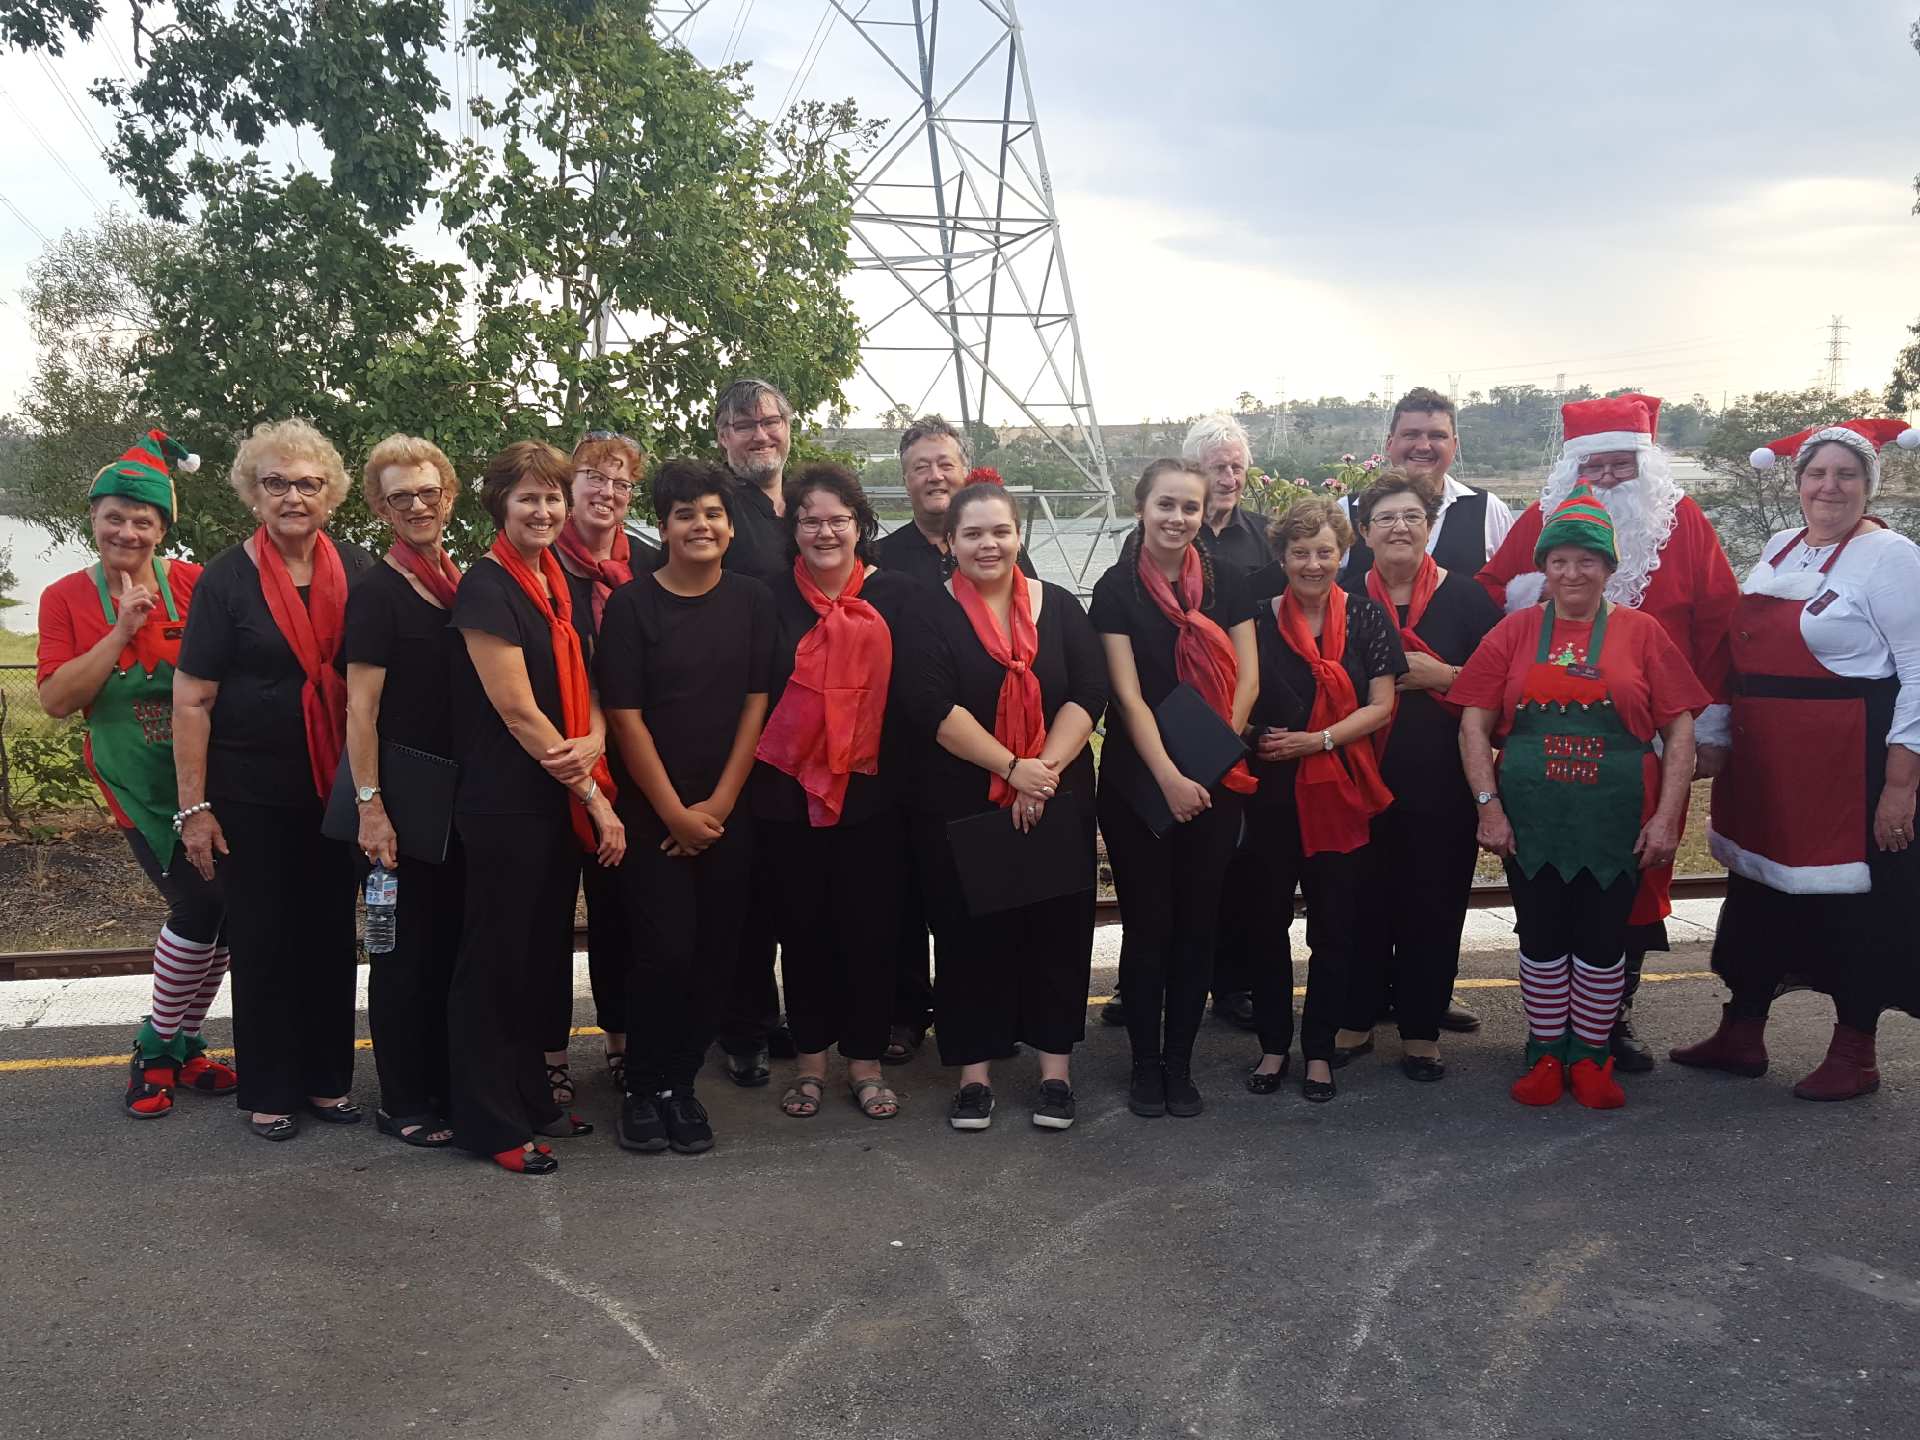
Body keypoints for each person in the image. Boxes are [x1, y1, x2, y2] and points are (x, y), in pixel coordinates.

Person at [1479, 393, 1738, 1070]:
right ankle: (1551, 1040)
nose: (1611, 480)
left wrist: (1710, 723)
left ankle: (1607, 1024)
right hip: (1547, 751)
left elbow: (1717, 620)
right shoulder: (1542, 519)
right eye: (1597, 467)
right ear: (1573, 468)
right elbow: (1492, 591)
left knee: (1633, 886)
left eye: (1624, 466)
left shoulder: (1682, 521)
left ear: (1646, 466)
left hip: (1645, 748)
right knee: (1549, 891)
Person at [1672, 418, 1920, 1101]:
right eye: (1817, 474)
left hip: (1850, 758)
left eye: (1846, 475)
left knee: (1854, 907)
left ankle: (1855, 1049)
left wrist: (1901, 782)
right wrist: (1717, 732)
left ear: (1868, 485)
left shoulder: (1893, 557)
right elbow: (1739, 652)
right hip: (1767, 761)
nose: (1829, 486)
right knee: (1757, 897)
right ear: (1798, 482)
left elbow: (1919, 669)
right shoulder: (1781, 548)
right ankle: (1742, 1030)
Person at [1454, 485, 1707, 1110]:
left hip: (1616, 817)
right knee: (1540, 936)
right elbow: (1473, 724)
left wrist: (1669, 816)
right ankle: (1545, 1052)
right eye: (1560, 559)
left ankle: (1591, 1055)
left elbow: (1679, 729)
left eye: (1587, 560)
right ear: (1543, 565)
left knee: (1602, 939)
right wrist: (1489, 805)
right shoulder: (1513, 632)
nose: (1572, 572)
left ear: (1608, 567)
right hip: (1532, 817)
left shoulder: (1643, 633)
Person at [173, 418, 375, 1141]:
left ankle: (326, 1081)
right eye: (277, 482)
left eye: (309, 483)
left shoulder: (357, 568)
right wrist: (193, 807)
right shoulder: (226, 578)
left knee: (329, 936)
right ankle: (269, 1087)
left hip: (337, 788)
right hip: (249, 791)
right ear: (253, 495)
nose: (294, 495)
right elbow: (193, 697)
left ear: (333, 494)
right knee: (262, 938)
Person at [895, 482, 1108, 1130]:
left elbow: (1087, 691)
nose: (988, 544)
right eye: (973, 534)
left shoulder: (1062, 608)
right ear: (950, 543)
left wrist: (1040, 773)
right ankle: (974, 1074)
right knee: (968, 938)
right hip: (963, 800)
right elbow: (932, 706)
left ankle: (1054, 1074)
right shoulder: (929, 613)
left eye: (999, 532)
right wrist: (1011, 768)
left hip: (1057, 793)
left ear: (1019, 536)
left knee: (1057, 936)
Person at [36, 429, 234, 1119]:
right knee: (197, 906)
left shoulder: (195, 583)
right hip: (136, 787)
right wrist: (120, 631)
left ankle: (183, 1043)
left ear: (162, 527)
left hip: (211, 774)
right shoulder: (65, 597)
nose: (126, 529)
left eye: (141, 519)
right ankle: (153, 1047)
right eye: (113, 515)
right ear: (91, 518)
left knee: (228, 916)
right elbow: (59, 700)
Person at [447, 440, 623, 1175]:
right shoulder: (488, 588)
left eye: (553, 497)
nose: (544, 510)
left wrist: (595, 738)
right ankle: (487, 1122)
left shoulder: (557, 580)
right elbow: (520, 714)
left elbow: (593, 686)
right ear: (500, 506)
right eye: (528, 498)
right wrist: (597, 799)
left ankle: (529, 1097)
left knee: (532, 960)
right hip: (504, 805)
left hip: (550, 803)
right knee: (492, 966)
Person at [600, 458, 774, 1156]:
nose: (700, 525)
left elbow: (757, 703)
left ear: (730, 527)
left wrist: (721, 804)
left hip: (730, 808)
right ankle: (643, 1086)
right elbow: (625, 716)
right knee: (663, 951)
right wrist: (674, 812)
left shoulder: (754, 601)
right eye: (684, 514)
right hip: (652, 812)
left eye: (712, 513)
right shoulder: (632, 605)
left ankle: (683, 1086)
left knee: (714, 955)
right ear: (663, 526)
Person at [752, 463, 922, 1120]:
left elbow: (920, 698)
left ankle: (867, 1063)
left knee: (872, 932)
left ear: (860, 524)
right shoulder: (766, 598)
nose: (824, 531)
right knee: (803, 932)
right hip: (786, 798)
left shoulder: (901, 597)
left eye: (837, 519)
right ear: (793, 528)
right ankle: (811, 1065)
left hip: (875, 798)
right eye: (810, 519)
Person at [1092, 459, 1258, 1119]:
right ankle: (1145, 1066)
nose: (1177, 519)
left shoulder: (1230, 584)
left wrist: (1210, 761)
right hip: (1140, 785)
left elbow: (1247, 680)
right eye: (1165, 505)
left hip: (1212, 782)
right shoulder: (1115, 590)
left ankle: (1182, 1065)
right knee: (1149, 928)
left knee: (1198, 928)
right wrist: (1170, 776)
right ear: (1141, 508)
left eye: (1189, 508)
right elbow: (1127, 700)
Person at [872, 414, 1036, 1064]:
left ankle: (994, 1012)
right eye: (921, 466)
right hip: (914, 758)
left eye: (945, 463)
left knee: (992, 894)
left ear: (966, 469)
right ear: (905, 478)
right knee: (911, 893)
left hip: (997, 755)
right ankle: (908, 1013)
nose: (935, 476)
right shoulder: (884, 561)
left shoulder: (1005, 548)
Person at [1339, 472, 1503, 1081]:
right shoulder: (1343, 598)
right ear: (1364, 532)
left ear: (1429, 527)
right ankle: (1355, 1020)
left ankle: (1420, 1030)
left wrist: (1444, 677)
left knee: (1434, 905)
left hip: (1443, 783)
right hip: (1359, 778)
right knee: (1362, 904)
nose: (1400, 527)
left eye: (1412, 516)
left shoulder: (1466, 600)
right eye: (1385, 518)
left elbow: (1502, 690)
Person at [1240, 498, 1402, 1102]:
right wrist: (1257, 736)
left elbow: (1382, 704)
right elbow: (1235, 700)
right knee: (1266, 926)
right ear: (1281, 556)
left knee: (1335, 930)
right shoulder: (1255, 621)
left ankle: (1318, 1051)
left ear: (1344, 554)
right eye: (1300, 552)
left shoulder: (1366, 618)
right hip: (1271, 795)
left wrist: (1319, 740)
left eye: (1325, 552)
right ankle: (1274, 1045)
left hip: (1341, 792)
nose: (1313, 564)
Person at [342, 434, 466, 1148]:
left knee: (447, 946)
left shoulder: (455, 580)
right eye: (400, 497)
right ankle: (403, 1098)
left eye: (427, 492)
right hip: (399, 801)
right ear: (380, 508)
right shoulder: (377, 594)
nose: (417, 505)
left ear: (446, 496)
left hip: (454, 798)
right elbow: (360, 709)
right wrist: (371, 806)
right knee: (401, 954)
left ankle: (446, 1080)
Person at [549, 430, 654, 1101]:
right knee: (549, 917)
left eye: (620, 483)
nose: (607, 493)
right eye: (594, 477)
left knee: (621, 916)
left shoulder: (650, 563)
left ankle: (620, 1043)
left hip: (632, 766)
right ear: (567, 486)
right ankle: (550, 1052)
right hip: (557, 764)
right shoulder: (537, 560)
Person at [712, 378, 797, 1083]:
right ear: (723, 437)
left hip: (808, 725)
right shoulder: (724, 512)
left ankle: (779, 1016)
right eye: (745, 425)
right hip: (739, 722)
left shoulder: (802, 507)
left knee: (787, 884)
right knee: (740, 889)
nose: (760, 434)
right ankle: (741, 1026)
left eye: (770, 421)